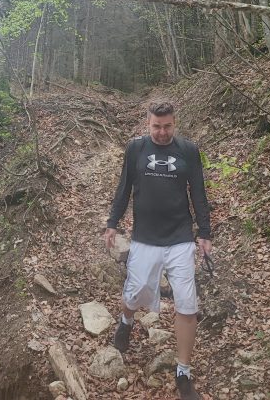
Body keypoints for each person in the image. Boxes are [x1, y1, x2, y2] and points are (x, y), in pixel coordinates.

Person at [104, 101, 212, 400]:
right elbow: (124, 187)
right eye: (156, 126)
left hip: (180, 237)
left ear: (174, 123)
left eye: (167, 126)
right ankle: (126, 321)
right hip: (145, 237)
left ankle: (183, 372)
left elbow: (198, 192)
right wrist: (112, 223)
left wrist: (204, 232)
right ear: (147, 123)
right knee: (136, 291)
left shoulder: (188, 150)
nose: (162, 132)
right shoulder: (135, 149)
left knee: (187, 303)